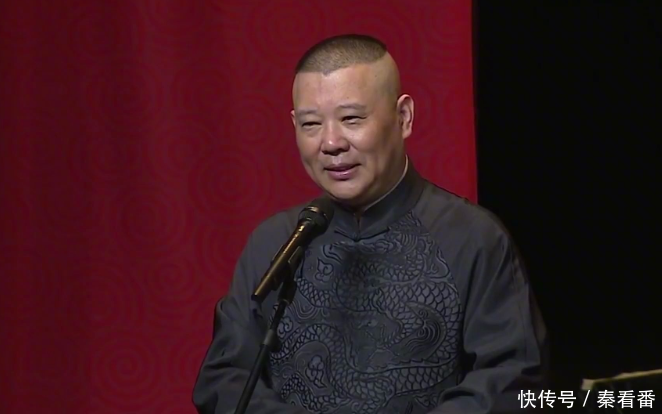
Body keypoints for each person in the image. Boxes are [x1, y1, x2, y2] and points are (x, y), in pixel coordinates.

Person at [192, 34, 549, 414]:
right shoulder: (275, 243)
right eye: (311, 124)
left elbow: (513, 379)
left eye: (351, 119)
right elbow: (224, 378)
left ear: (403, 117)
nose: (331, 142)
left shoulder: (472, 237)